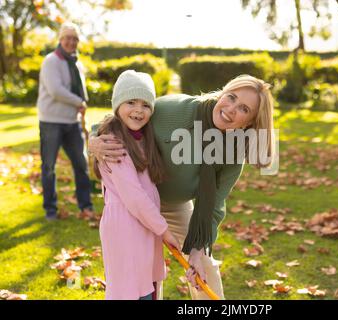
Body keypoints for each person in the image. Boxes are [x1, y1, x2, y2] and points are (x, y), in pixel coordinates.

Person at [89, 74, 275, 299]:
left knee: (204, 266)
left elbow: (214, 204)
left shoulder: (234, 152)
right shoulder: (174, 110)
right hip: (136, 197)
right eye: (231, 97)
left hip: (174, 203)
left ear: (250, 122)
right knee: (144, 267)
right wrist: (93, 141)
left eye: (244, 109)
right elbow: (121, 117)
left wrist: (196, 250)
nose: (231, 109)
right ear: (222, 93)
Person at [94, 70, 180, 300]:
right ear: (117, 104)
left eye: (145, 105)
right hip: (126, 227)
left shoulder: (142, 138)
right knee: (130, 289)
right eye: (131, 102)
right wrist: (164, 230)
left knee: (148, 286)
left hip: (143, 224)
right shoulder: (113, 144)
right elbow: (134, 196)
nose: (138, 110)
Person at [36, 22, 93, 221]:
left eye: (74, 38)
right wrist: (79, 101)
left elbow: (79, 90)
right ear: (60, 40)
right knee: (49, 166)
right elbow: (56, 90)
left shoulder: (77, 63)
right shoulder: (51, 61)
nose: (71, 42)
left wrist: (81, 105)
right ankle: (50, 210)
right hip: (51, 121)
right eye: (67, 37)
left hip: (72, 121)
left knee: (81, 164)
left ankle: (86, 205)